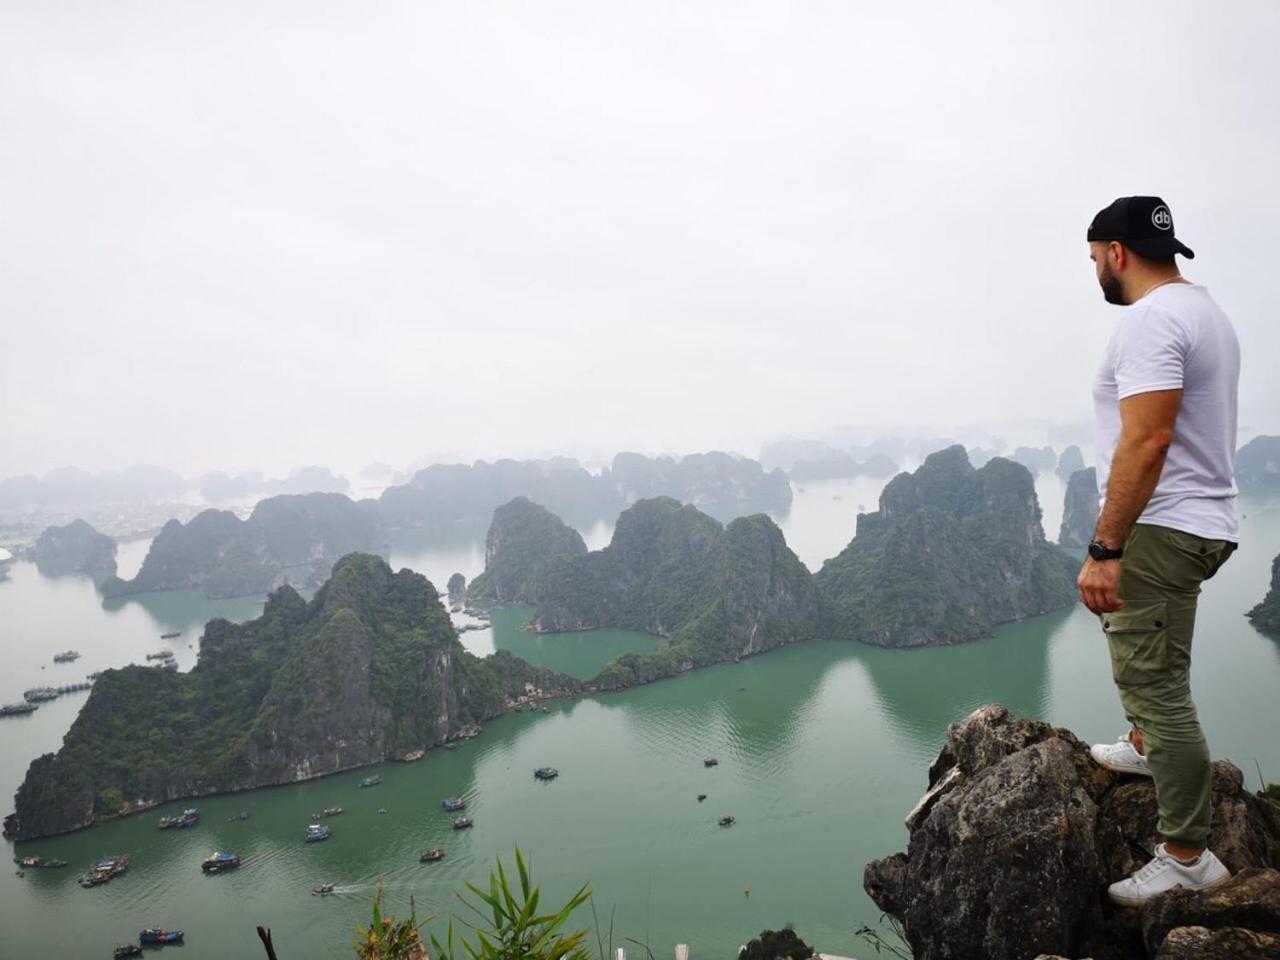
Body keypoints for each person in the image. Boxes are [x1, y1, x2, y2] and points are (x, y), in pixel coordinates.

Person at [1077, 196, 1240, 906]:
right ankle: (1146, 749)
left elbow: (1147, 440)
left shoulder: (1148, 321)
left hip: (1164, 524)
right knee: (1155, 656)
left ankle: (1185, 854)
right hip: (1202, 520)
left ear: (1116, 252)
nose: (1096, 275)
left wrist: (1106, 546)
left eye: (1093, 261)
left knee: (1158, 686)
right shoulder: (1204, 311)